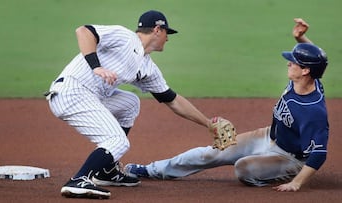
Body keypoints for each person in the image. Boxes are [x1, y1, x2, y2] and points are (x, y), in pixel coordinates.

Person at [125, 18, 329, 192]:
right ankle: (152, 170)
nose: (288, 63)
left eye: (294, 62)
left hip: (291, 158)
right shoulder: (307, 80)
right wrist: (300, 39)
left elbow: (319, 154)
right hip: (269, 135)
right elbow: (320, 62)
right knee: (212, 152)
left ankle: (280, 172)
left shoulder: (313, 110)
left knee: (244, 170)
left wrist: (296, 183)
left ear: (305, 71)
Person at [45, 10, 210, 199]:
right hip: (72, 92)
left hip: (90, 96)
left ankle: (106, 171)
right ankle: (79, 179)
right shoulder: (125, 37)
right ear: (157, 29)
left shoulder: (147, 66)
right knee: (118, 141)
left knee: (130, 103)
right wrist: (96, 67)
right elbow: (84, 31)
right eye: (166, 33)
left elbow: (171, 99)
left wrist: (208, 123)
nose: (168, 39)